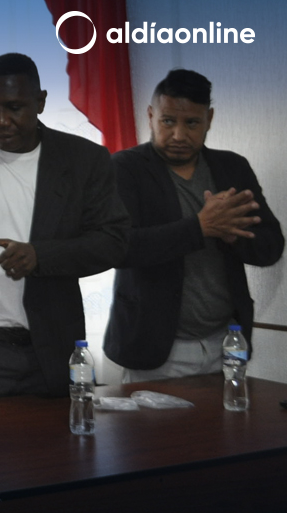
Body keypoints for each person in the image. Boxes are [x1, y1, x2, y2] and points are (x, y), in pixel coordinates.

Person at [0, 53, 129, 402]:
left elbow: (113, 241)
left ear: (40, 102)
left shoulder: (85, 160)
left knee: (61, 439)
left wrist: (40, 256)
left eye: (14, 107)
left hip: (53, 349)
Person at [104, 69, 283, 381]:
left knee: (233, 415)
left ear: (208, 119)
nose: (178, 135)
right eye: (168, 121)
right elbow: (117, 248)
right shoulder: (125, 168)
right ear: (151, 116)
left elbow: (271, 248)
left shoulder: (232, 167)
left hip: (226, 341)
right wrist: (199, 228)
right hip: (154, 346)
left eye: (191, 123)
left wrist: (234, 235)